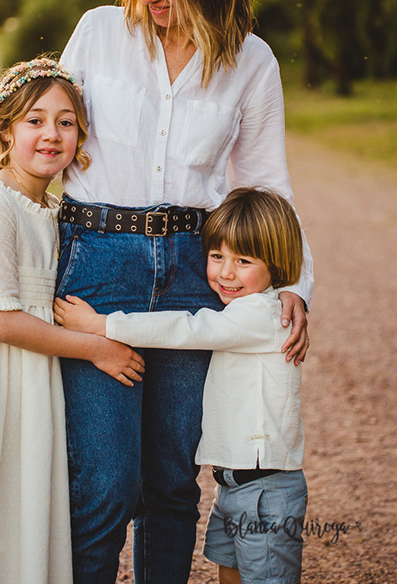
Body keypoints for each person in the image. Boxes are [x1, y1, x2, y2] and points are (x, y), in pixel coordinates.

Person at [0, 0, 313, 583]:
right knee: (105, 482)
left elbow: (267, 189)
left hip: (189, 271)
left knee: (172, 484)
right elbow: (41, 126)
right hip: (96, 262)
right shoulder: (100, 32)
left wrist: (292, 287)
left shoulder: (251, 61)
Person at [0, 58, 146, 584]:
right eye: (34, 120)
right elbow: (0, 321)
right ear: (3, 128)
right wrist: (98, 347)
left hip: (25, 369)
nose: (51, 134)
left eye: (65, 122)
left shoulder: (50, 206)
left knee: (16, 491)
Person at [55, 187, 308, 584]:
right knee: (232, 572)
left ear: (277, 265)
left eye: (243, 261)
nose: (226, 273)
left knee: (267, 577)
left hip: (265, 489)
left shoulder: (262, 315)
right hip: (234, 483)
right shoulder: (241, 307)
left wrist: (102, 325)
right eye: (216, 256)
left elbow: (185, 328)